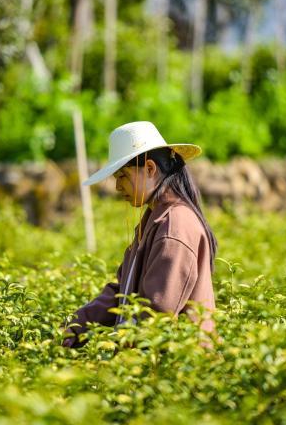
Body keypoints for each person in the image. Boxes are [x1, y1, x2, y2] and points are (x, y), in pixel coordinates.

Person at [62, 121, 218, 348]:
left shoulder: (174, 226)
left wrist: (121, 363)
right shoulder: (155, 219)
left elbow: (156, 316)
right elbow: (121, 292)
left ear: (150, 169)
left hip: (177, 371)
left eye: (123, 175)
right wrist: (75, 325)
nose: (117, 186)